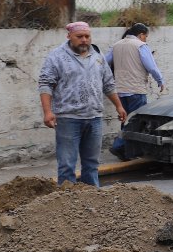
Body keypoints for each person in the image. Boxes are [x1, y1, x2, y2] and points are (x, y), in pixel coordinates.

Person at [38, 22, 126, 187]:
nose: (84, 40)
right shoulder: (56, 56)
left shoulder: (98, 57)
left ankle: (92, 198)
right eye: (79, 37)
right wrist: (47, 112)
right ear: (69, 36)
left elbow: (108, 84)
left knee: (92, 164)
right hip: (68, 119)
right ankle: (65, 203)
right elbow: (45, 84)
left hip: (94, 118)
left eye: (87, 36)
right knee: (66, 165)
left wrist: (119, 106)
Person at [105, 23, 165, 158]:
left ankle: (127, 152)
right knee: (136, 121)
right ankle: (119, 146)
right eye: (146, 36)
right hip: (136, 90)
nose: (146, 39)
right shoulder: (141, 46)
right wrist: (160, 80)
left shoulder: (116, 45)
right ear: (141, 34)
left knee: (125, 120)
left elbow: (104, 62)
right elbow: (151, 67)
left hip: (119, 90)